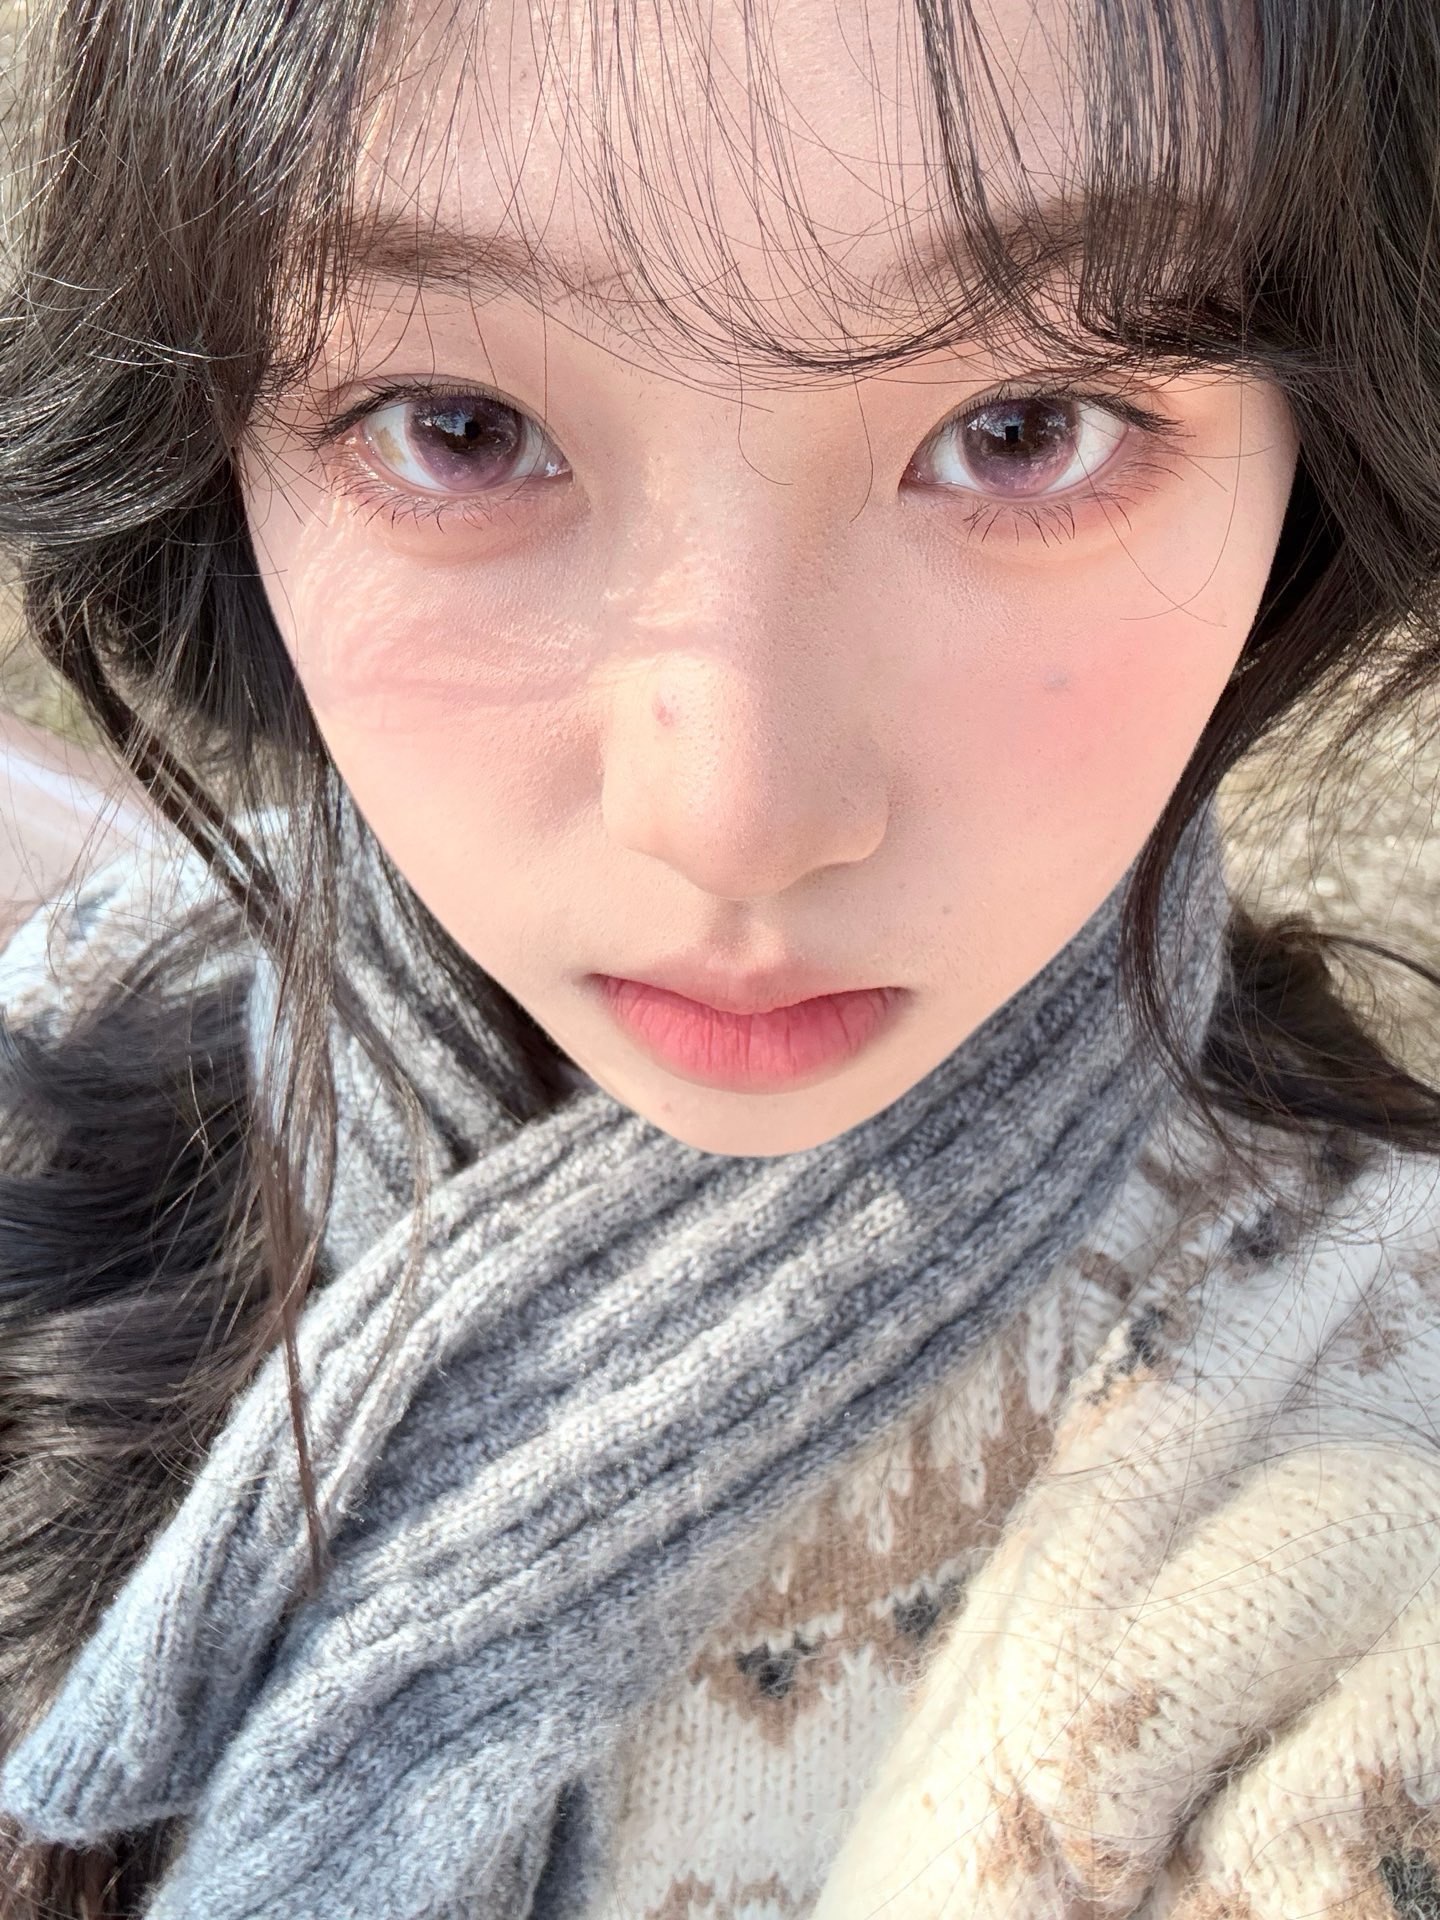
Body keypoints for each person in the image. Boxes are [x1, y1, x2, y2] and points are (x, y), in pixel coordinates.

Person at [1, 0, 1440, 1915]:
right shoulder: (100, 978)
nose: (737, 816)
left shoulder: (1365, 1479)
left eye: (1023, 430)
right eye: (463, 428)